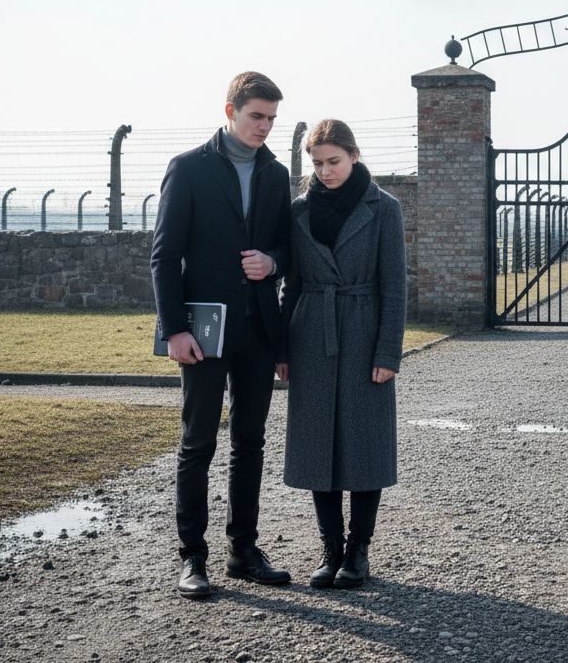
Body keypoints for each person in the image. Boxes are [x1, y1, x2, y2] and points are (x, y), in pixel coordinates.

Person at [151, 71, 294, 599]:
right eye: (257, 115)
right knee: (198, 443)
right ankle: (192, 558)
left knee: (250, 443)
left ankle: (243, 550)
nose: (265, 127)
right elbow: (164, 257)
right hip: (204, 333)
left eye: (272, 119)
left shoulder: (277, 174)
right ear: (230, 110)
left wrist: (272, 262)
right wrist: (174, 330)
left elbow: (287, 247)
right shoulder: (188, 169)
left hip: (259, 329)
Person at [276, 119, 407, 589]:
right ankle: (329, 548)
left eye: (333, 161)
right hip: (311, 332)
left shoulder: (383, 208)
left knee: (364, 442)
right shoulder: (298, 211)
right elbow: (290, 284)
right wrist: (283, 348)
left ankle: (359, 549)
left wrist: (388, 350)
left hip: (364, 330)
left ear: (354, 155)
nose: (325, 171)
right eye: (317, 163)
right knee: (317, 444)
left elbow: (395, 286)